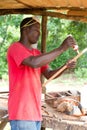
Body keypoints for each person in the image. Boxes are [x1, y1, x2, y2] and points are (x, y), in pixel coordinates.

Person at [7, 16, 77, 130]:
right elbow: (33, 63)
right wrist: (61, 48)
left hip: (35, 113)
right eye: (36, 30)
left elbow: (49, 74)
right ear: (25, 30)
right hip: (22, 113)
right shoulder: (15, 48)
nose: (39, 34)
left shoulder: (36, 53)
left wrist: (65, 67)